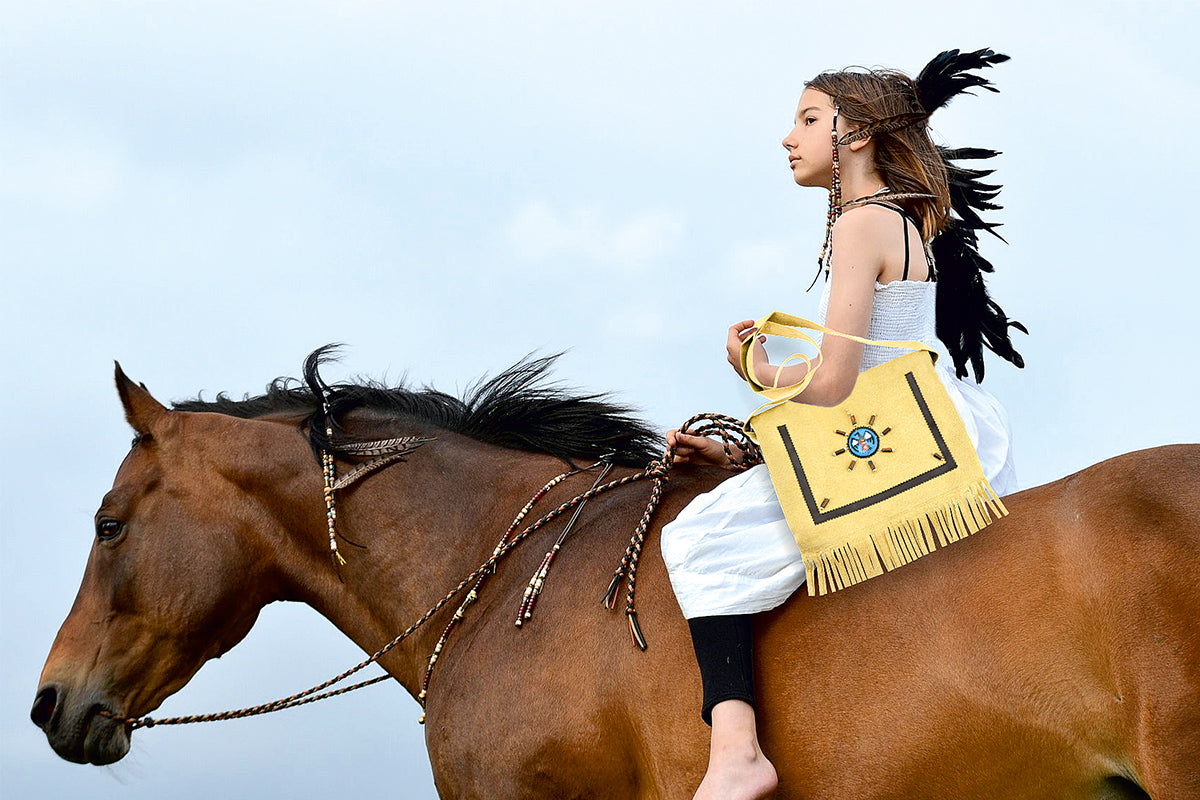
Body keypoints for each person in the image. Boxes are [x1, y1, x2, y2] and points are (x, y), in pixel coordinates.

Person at [660, 49, 1024, 800]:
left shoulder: (860, 222)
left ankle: (736, 755)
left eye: (807, 119)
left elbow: (833, 384)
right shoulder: (902, 220)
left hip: (896, 421)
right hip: (924, 415)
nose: (788, 137)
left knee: (695, 538)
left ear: (854, 134)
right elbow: (861, 375)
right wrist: (743, 451)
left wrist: (755, 367)